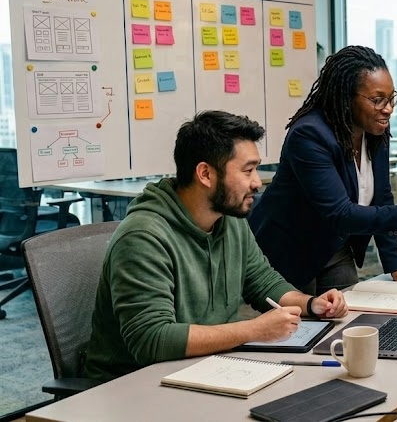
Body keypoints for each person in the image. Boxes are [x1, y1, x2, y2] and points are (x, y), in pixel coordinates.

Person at [82, 111, 348, 382]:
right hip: (132, 385)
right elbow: (152, 340)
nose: (257, 182)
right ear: (206, 174)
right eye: (247, 170)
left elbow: (263, 282)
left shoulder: (229, 219)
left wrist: (311, 304)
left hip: (205, 367)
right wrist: (253, 330)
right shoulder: (143, 236)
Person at [248, 45, 397, 295]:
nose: (388, 109)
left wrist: (395, 266)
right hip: (290, 249)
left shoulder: (376, 134)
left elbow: (382, 198)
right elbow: (341, 213)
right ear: (347, 97)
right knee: (301, 329)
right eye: (378, 100)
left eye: (391, 99)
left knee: (348, 317)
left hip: (335, 246)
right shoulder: (310, 135)